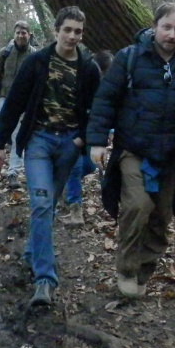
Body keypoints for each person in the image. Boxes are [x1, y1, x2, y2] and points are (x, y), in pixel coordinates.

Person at [86, 2, 175, 299]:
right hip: (133, 149)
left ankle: (145, 269)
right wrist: (97, 141)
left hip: (171, 154)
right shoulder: (129, 58)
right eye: (167, 27)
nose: (172, 34)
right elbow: (106, 101)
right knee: (137, 205)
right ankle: (126, 268)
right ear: (154, 27)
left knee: (161, 215)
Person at [0, 7, 102, 307]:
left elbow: (98, 109)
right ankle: (45, 279)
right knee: (41, 202)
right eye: (67, 30)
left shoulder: (89, 68)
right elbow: (14, 103)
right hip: (38, 141)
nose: (72, 36)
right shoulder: (37, 62)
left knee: (49, 205)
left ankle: (32, 251)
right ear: (56, 31)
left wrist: (83, 139)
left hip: (68, 144)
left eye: (78, 31)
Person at [60, 49, 114, 226]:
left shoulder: (105, 81)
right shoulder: (86, 74)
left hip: (90, 131)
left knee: (90, 165)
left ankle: (62, 182)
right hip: (74, 128)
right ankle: (75, 208)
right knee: (75, 167)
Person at [0, 20, 37, 190]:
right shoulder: (4, 53)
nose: (20, 36)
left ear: (29, 35)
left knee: (18, 136)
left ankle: (13, 172)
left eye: (24, 33)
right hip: (4, 98)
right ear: (14, 35)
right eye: (18, 33)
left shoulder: (35, 56)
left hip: (24, 102)